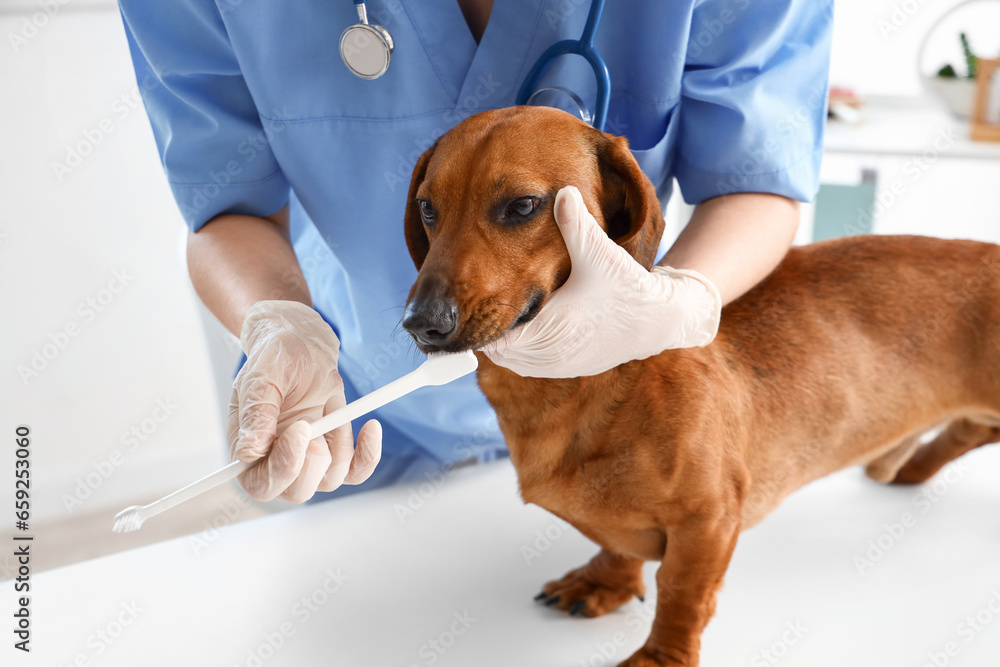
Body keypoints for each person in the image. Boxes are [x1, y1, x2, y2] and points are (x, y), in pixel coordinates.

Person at [118, 0, 832, 503]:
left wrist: (683, 301)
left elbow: (755, 180)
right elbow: (226, 209)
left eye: (519, 206)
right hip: (357, 414)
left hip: (608, 416)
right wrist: (279, 322)